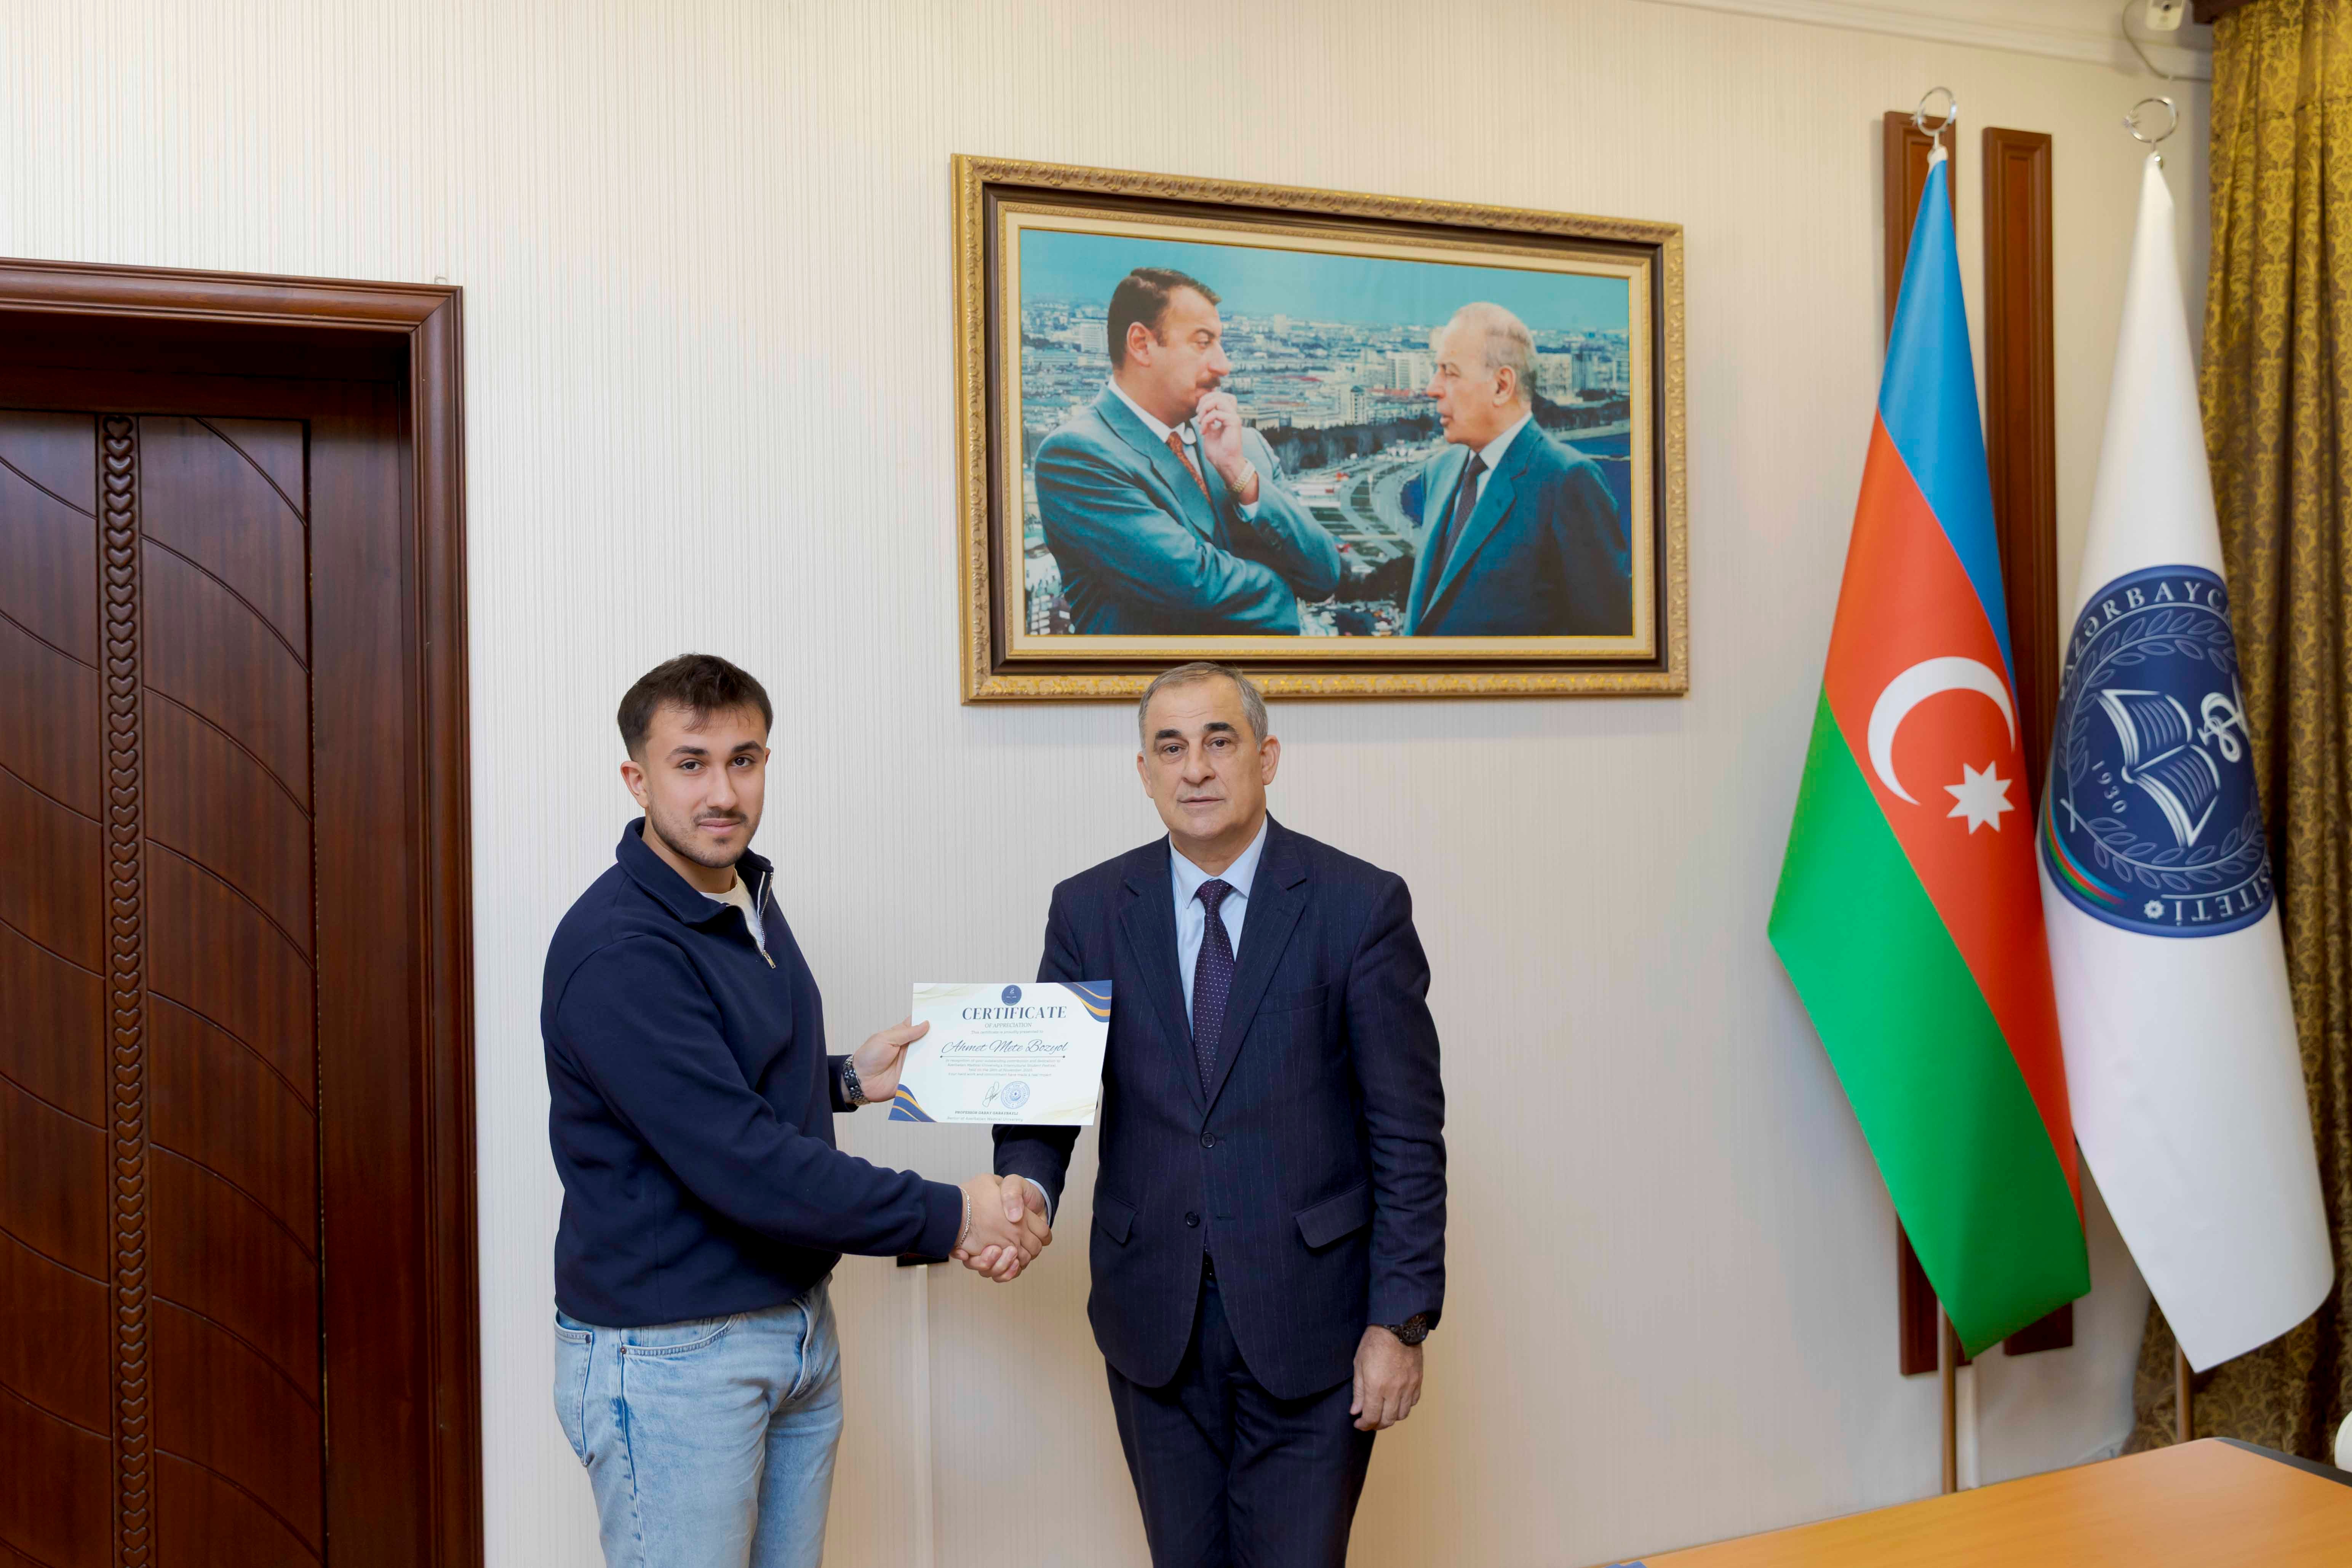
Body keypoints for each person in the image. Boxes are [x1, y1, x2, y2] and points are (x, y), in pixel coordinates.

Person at [542, 653, 1045, 1568]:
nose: (723, 792)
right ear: (637, 779)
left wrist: (845, 1079)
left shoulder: (738, 892)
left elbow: (711, 1086)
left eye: (744, 760)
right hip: (675, 1358)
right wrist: (955, 1214)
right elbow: (744, 1161)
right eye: (691, 763)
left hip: (793, 1326)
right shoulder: (622, 948)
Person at [986, 661, 1447, 1568]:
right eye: (1170, 748)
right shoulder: (1088, 909)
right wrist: (1026, 1191)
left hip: (1313, 1320)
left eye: (1218, 741)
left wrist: (1400, 1324)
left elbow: (1405, 1134)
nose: (1194, 768)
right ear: (1144, 771)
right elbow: (1047, 1096)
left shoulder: (1359, 906)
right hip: (1151, 1317)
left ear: (1266, 757)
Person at [1033, 267, 1342, 634]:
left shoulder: (1245, 448)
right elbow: (1192, 585)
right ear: (1141, 344)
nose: (1224, 365)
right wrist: (1286, 587)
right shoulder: (1076, 456)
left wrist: (1239, 474)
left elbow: (1323, 574)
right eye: (1202, 342)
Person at [1401, 301, 1632, 637]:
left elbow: (1608, 638)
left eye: (1449, 372)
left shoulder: (1567, 481)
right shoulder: (1438, 471)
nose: (1432, 388)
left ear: (1501, 386)